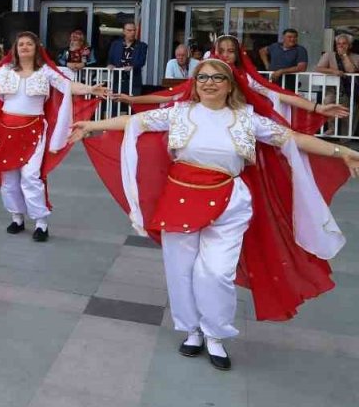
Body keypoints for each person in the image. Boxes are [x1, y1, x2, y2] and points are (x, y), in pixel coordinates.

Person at [71, 58, 356, 371]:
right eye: (202, 77)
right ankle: (192, 330)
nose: (208, 83)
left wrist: (345, 152)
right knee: (180, 269)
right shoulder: (179, 113)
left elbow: (292, 139)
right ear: (194, 83)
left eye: (217, 77)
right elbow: (134, 122)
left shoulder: (248, 119)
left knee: (217, 271)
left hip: (230, 201)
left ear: (230, 84)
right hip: (180, 197)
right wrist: (92, 125)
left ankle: (216, 334)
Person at [0, 32, 109, 241]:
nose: (25, 47)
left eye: (29, 44)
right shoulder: (4, 71)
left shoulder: (45, 71)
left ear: (36, 48)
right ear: (15, 49)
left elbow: (67, 86)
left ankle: (41, 222)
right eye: (21, 44)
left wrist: (90, 88)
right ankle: (17, 217)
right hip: (6, 129)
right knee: (9, 177)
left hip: (33, 129)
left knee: (31, 175)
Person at [117, 35, 348, 134]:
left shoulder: (247, 79)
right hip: (205, 126)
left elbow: (280, 95)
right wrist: (133, 99)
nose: (226, 55)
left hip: (237, 128)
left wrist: (317, 108)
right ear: (215, 52)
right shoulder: (203, 76)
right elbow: (171, 96)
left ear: (238, 54)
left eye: (231, 51)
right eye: (222, 51)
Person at [107, 22, 148, 95]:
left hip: (134, 80)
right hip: (117, 80)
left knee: (133, 103)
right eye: (129, 30)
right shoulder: (116, 44)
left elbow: (142, 61)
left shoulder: (142, 46)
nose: (132, 33)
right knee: (116, 102)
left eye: (134, 30)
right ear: (124, 31)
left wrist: (132, 67)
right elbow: (110, 58)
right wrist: (110, 65)